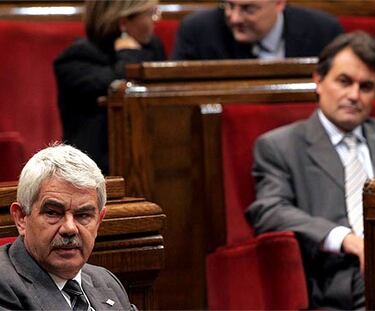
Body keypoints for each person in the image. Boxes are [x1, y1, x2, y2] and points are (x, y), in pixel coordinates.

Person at [246, 31, 375, 309]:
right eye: (344, 82)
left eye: (366, 86)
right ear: (319, 81)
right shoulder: (280, 146)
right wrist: (345, 238)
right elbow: (269, 210)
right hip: (340, 276)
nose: (353, 95)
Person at [0, 144, 136, 310]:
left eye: (83, 215)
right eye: (52, 213)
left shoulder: (107, 282)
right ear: (21, 218)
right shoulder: (5, 284)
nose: (70, 228)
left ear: (99, 221)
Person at [54, 0, 165, 175]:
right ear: (123, 22)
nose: (156, 19)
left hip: (151, 158)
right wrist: (129, 55)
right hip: (93, 171)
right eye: (150, 13)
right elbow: (114, 86)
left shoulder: (152, 48)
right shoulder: (76, 59)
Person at [171, 0, 343, 60]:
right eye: (229, 5)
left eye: (248, 9)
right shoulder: (197, 31)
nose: (235, 18)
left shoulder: (324, 32)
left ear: (279, 4)